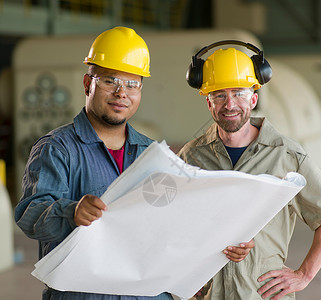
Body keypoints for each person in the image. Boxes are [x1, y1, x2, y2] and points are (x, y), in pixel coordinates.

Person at [14, 27, 252, 300]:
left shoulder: (152, 154)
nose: (121, 93)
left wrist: (224, 243)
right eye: (109, 81)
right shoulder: (58, 149)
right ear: (87, 84)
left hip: (149, 294)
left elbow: (176, 225)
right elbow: (30, 215)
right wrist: (72, 212)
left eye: (132, 84)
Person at [180, 41, 321, 300]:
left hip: (261, 294)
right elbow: (177, 224)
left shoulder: (286, 154)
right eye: (219, 95)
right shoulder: (192, 155)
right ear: (208, 102)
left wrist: (304, 274)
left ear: (254, 98)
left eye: (239, 93)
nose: (230, 104)